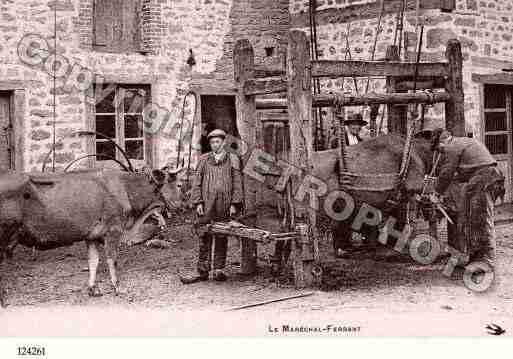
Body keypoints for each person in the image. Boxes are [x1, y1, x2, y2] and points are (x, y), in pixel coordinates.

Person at [431, 128, 505, 271]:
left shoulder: (451, 147)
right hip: (485, 177)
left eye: (439, 150)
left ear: (441, 143)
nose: (440, 153)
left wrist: (436, 192)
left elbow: (447, 173)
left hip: (484, 179)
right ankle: (475, 259)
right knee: (470, 220)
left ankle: (486, 262)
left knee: (480, 221)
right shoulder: (464, 142)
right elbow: (468, 170)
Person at [179, 129, 243, 284]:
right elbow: (197, 183)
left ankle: (218, 269)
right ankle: (202, 270)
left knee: (222, 235)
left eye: (218, 142)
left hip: (225, 204)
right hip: (206, 205)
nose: (215, 145)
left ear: (224, 143)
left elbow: (237, 182)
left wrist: (234, 203)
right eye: (212, 142)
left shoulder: (232, 159)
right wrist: (198, 202)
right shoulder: (204, 159)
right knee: (204, 235)